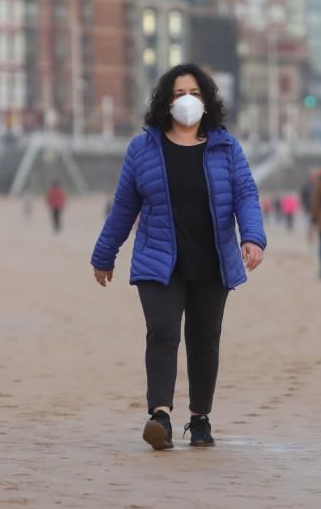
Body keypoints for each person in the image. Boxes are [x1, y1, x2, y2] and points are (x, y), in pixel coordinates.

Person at [91, 63, 266, 451]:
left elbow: (246, 196)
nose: (187, 101)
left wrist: (253, 238)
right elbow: (123, 207)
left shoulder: (225, 146)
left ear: (207, 101)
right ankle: (160, 417)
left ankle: (200, 419)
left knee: (204, 342)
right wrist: (104, 255)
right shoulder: (143, 148)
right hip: (159, 260)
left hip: (212, 261)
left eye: (195, 94)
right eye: (178, 94)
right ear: (165, 102)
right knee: (163, 333)